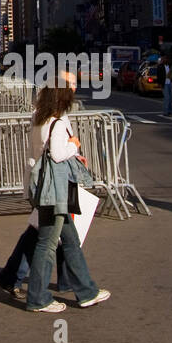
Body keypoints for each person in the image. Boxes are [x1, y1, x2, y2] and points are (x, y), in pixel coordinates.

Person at [24, 81, 110, 313]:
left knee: (70, 241)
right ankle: (37, 298)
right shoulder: (58, 122)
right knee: (47, 244)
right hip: (56, 190)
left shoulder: (38, 119)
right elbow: (59, 153)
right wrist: (74, 145)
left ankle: (87, 291)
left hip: (43, 187)